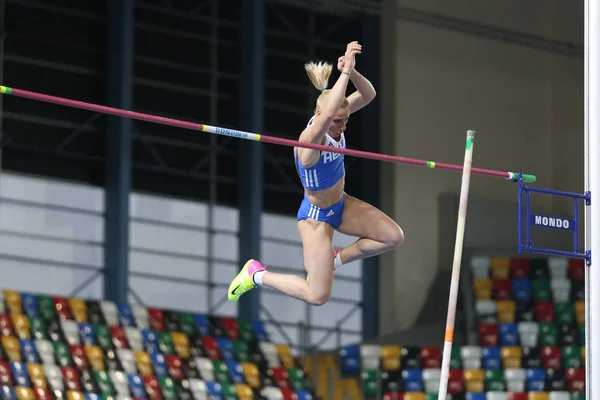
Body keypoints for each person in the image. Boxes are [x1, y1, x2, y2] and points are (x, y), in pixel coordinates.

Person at [228, 41, 404, 306]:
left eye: (346, 120)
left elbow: (368, 96)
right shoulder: (310, 140)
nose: (342, 126)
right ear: (321, 114)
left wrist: (351, 70)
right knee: (317, 295)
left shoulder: (337, 118)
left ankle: (335, 260)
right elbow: (330, 113)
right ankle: (256, 276)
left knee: (393, 237)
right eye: (337, 121)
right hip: (316, 217)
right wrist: (343, 75)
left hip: (341, 205)